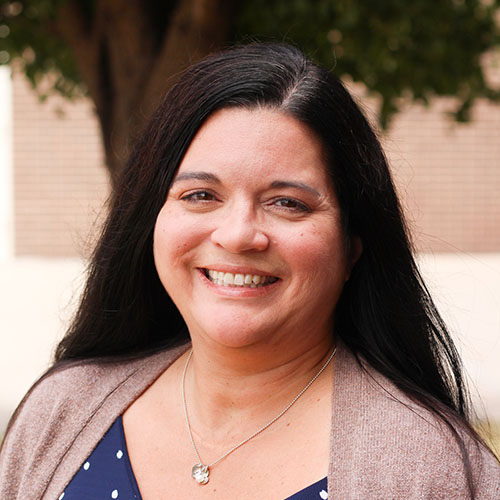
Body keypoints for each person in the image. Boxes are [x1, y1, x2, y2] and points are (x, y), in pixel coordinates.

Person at [1, 43, 499, 500]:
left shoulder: (426, 468)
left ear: (351, 247)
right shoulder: (62, 410)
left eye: (288, 203)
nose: (238, 235)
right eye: (201, 195)